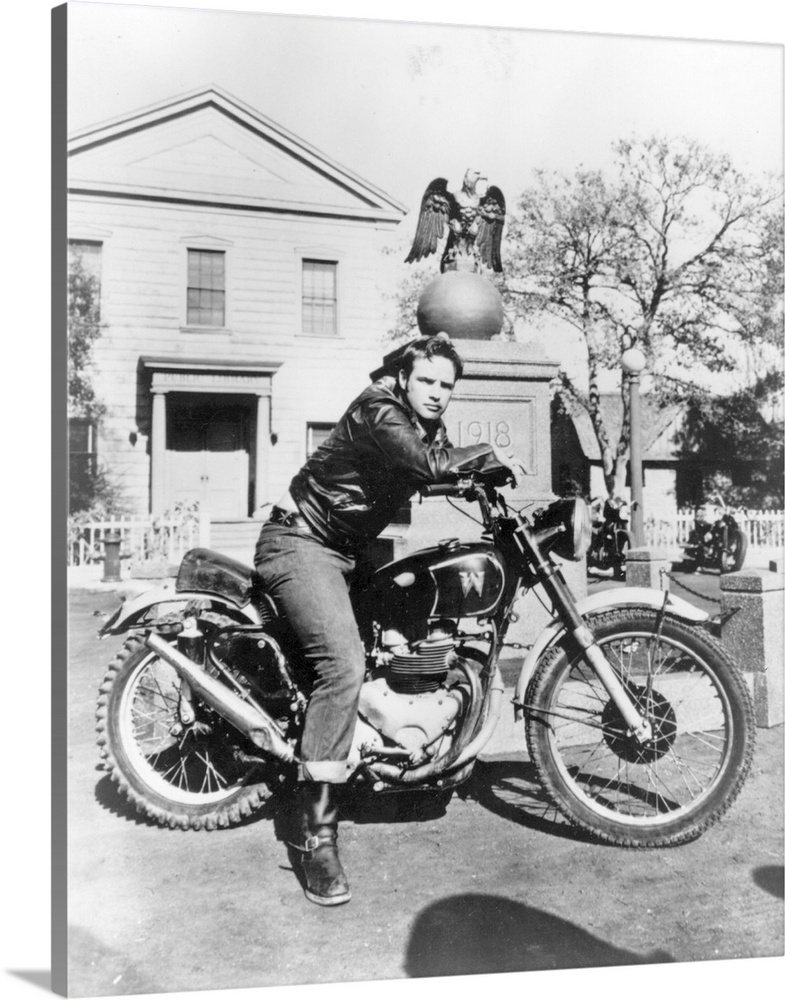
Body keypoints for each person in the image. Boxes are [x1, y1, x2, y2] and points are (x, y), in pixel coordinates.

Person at [254, 333, 525, 906]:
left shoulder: (425, 426)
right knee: (344, 666)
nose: (437, 393)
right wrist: (485, 456)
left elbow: (440, 471)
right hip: (302, 543)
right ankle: (315, 836)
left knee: (401, 632)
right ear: (405, 378)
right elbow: (428, 465)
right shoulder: (379, 409)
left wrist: (486, 484)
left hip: (345, 550)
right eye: (427, 381)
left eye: (447, 385)